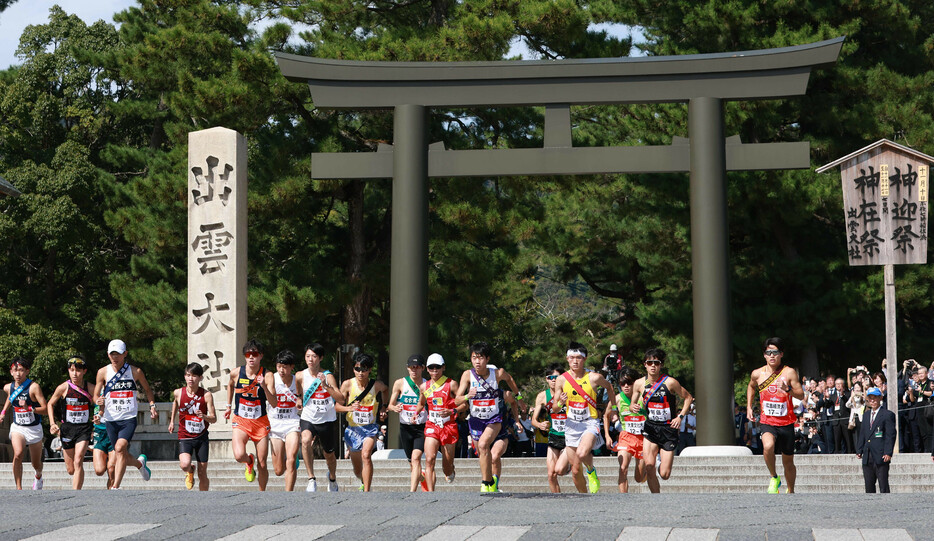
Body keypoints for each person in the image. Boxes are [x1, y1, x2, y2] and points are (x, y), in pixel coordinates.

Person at [454, 341, 524, 493]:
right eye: (474, 358)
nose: (477, 362)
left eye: (480, 358)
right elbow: (456, 400)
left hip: (494, 419)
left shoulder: (496, 374)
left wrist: (519, 397)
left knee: (484, 445)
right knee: (482, 452)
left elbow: (510, 379)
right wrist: (467, 396)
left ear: (487, 359)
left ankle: (485, 483)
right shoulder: (467, 375)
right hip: (475, 420)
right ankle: (491, 481)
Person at [552, 342, 617, 494]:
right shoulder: (562, 379)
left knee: (582, 454)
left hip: (589, 422)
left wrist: (614, 409)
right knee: (574, 471)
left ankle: (591, 470)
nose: (575, 361)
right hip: (571, 425)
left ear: (585, 359)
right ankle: (584, 497)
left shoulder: (594, 377)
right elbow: (555, 407)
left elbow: (609, 387)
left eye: (579, 358)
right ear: (567, 359)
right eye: (572, 358)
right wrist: (561, 402)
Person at [93, 339, 156, 490]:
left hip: (128, 418)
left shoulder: (135, 372)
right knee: (120, 453)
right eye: (112, 354)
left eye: (118, 354)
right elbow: (95, 396)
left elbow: (147, 390)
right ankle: (140, 464)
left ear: (125, 354)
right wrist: (98, 401)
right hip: (110, 419)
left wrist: (152, 405)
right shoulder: (102, 372)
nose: (115, 358)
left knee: (120, 448)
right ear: (108, 354)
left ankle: (115, 486)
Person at [631, 347, 693, 494]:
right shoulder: (639, 384)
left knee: (665, 474)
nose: (653, 365)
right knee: (649, 466)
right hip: (651, 427)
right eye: (650, 362)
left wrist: (680, 417)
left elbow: (688, 397)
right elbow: (633, 401)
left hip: (668, 429)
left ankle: (658, 464)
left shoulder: (670, 382)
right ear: (644, 364)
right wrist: (633, 407)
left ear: (661, 365)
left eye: (656, 363)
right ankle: (656, 498)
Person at [747, 337, 804, 493]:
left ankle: (790, 490)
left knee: (788, 461)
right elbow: (751, 387)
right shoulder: (757, 374)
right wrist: (749, 407)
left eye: (775, 352)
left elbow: (800, 395)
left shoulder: (789, 372)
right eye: (768, 352)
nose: (772, 356)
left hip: (786, 422)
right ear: (764, 355)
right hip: (768, 421)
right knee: (768, 446)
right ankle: (774, 476)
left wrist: (787, 389)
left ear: (781, 354)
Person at [337, 352, 389, 492]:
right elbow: (336, 406)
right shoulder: (348, 384)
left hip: (369, 428)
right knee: (357, 469)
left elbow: (385, 390)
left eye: (364, 369)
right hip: (353, 429)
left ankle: (367, 490)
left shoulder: (376, 385)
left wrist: (384, 406)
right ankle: (362, 480)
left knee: (366, 455)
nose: (360, 373)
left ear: (370, 370)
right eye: (357, 369)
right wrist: (349, 407)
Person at [295, 343, 343, 492]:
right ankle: (311, 478)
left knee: (329, 455)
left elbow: (341, 399)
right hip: (308, 417)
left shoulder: (328, 376)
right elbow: (298, 388)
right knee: (305, 440)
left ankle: (332, 478)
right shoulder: (300, 375)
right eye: (308, 356)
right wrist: (298, 398)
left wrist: (325, 386)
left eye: (314, 356)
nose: (311, 360)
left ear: (320, 358)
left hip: (326, 419)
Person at [224, 339, 271, 490]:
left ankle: (262, 492)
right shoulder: (236, 372)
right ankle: (249, 460)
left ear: (260, 356)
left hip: (260, 422)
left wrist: (264, 386)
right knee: (238, 455)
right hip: (241, 420)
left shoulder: (267, 375)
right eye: (248, 354)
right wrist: (228, 406)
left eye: (255, 354)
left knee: (263, 462)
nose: (251, 357)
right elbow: (230, 385)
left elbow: (274, 402)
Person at [47, 355, 94, 490]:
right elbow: (50, 404)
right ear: (68, 370)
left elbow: (99, 403)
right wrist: (52, 423)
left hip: (83, 429)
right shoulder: (63, 387)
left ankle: (76, 494)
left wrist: (98, 414)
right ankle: (76, 480)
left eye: (78, 370)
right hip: (67, 429)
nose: (75, 373)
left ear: (84, 371)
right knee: (71, 469)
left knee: (79, 460)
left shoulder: (90, 387)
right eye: (72, 370)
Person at [0, 357, 47, 490]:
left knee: (36, 463)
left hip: (34, 428)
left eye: (21, 370)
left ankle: (38, 475)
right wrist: (3, 412)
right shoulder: (8, 387)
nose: (18, 374)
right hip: (18, 427)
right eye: (15, 370)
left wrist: (30, 408)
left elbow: (45, 408)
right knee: (18, 453)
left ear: (27, 371)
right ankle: (19, 488)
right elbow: (11, 397)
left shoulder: (34, 388)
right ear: (11, 372)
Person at [168, 362, 216, 490]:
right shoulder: (178, 393)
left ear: (200, 378)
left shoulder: (206, 395)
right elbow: (175, 404)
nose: (191, 379)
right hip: (185, 435)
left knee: (202, 473)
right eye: (188, 375)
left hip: (201, 436)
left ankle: (203, 499)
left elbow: (214, 418)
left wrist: (204, 416)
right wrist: (172, 421)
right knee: (184, 464)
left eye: (194, 376)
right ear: (184, 376)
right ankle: (189, 470)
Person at [259, 349, 301, 491]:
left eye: (285, 367)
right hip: (275, 424)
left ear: (292, 367)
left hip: (292, 423)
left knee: (290, 460)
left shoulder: (297, 381)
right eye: (279, 366)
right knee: (278, 470)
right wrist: (265, 388)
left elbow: (303, 399)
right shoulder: (273, 379)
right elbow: (270, 401)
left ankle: (288, 494)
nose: (281, 370)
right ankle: (287, 458)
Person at [418, 353, 459, 491]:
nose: (434, 370)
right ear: (427, 369)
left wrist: (452, 411)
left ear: (443, 368)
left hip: (448, 426)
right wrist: (415, 413)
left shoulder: (451, 384)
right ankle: (431, 492)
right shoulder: (424, 387)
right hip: (432, 425)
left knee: (446, 467)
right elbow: (421, 403)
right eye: (431, 367)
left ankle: (450, 469)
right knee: (429, 459)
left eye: (437, 367)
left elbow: (463, 405)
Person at [388, 354, 429, 492]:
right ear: (407, 368)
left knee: (416, 457)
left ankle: (412, 492)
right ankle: (421, 478)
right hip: (405, 427)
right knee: (412, 462)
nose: (414, 370)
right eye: (411, 367)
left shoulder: (427, 384)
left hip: (421, 427)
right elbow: (390, 405)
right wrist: (395, 407)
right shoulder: (400, 383)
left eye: (417, 367)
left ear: (422, 368)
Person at [604, 367, 645, 493]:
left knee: (639, 478)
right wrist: (607, 436)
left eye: (629, 383)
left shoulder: (643, 397)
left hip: (643, 439)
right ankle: (623, 499)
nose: (626, 386)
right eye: (623, 383)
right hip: (626, 437)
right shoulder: (617, 399)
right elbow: (606, 415)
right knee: (623, 468)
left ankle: (646, 473)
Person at [532, 363, 571, 493]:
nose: (553, 380)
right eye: (550, 377)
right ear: (546, 379)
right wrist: (540, 425)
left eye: (556, 377)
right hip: (554, 436)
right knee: (551, 474)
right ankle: (557, 501)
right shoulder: (542, 396)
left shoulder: (570, 392)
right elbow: (533, 420)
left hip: (570, 436)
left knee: (561, 470)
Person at [857, 387, 896, 493]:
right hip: (868, 453)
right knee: (869, 486)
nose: (873, 401)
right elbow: (863, 434)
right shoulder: (866, 415)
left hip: (880, 454)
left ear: (880, 398)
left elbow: (890, 435)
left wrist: (888, 452)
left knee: (883, 485)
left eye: (875, 398)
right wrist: (859, 450)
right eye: (870, 398)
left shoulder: (887, 414)